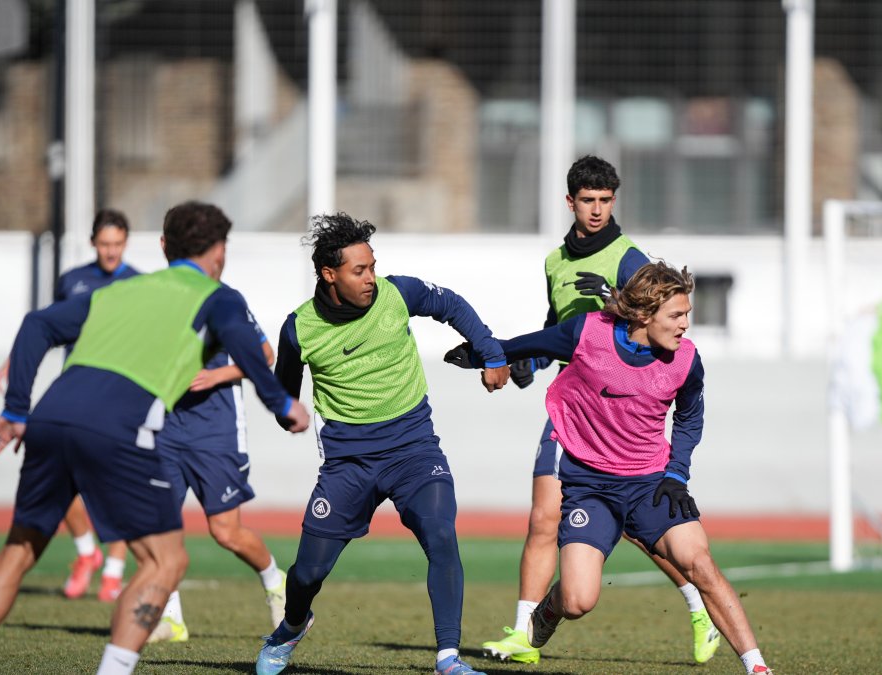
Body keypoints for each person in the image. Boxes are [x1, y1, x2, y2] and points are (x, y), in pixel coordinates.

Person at [0, 201, 310, 675]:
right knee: (166, 561)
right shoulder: (217, 296)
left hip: (51, 417)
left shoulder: (120, 290)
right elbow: (248, 347)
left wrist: (16, 409)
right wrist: (283, 403)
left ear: (163, 247)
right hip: (117, 428)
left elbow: (37, 325)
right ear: (220, 250)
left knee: (19, 550)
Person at [446, 261, 773, 675]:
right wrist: (484, 354)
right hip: (590, 486)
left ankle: (757, 666)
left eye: (687, 314)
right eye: (676, 315)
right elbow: (528, 344)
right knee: (579, 601)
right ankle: (546, 612)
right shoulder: (587, 332)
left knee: (701, 564)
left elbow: (690, 418)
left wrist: (677, 473)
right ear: (644, 315)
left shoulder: (687, 360)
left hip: (651, 483)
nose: (686, 324)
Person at [479, 155, 719, 665]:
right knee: (544, 518)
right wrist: (527, 361)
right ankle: (523, 635)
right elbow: (558, 327)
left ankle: (699, 607)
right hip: (574, 406)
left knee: (635, 526)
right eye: (587, 200)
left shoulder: (630, 259)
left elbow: (650, 328)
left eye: (605, 201)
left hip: (622, 416)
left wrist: (612, 302)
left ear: (614, 201)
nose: (596, 209)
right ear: (570, 202)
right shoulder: (554, 262)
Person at [254, 213, 509, 675]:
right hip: (348, 464)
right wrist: (284, 411)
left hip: (414, 450)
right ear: (329, 275)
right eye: (359, 271)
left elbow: (451, 304)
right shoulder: (300, 328)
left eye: (372, 266)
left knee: (441, 533)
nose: (370, 278)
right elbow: (282, 393)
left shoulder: (397, 293)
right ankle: (291, 626)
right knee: (308, 572)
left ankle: (448, 657)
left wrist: (490, 351)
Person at [0, 208, 140, 602]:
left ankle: (113, 571)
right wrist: (15, 360)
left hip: (116, 397)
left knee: (115, 484)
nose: (110, 251)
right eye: (104, 243)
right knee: (64, 479)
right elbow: (48, 325)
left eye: (117, 244)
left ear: (126, 243)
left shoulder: (139, 285)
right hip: (73, 392)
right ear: (93, 243)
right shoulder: (73, 280)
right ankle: (86, 552)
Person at [146, 334, 288, 643]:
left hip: (216, 433)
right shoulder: (158, 295)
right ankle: (170, 619)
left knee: (225, 532)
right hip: (166, 430)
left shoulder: (225, 302)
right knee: (157, 527)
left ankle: (275, 582)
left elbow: (265, 354)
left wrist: (218, 374)